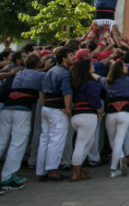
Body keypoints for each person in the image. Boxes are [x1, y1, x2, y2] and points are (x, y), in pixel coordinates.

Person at [0, 54, 44, 196]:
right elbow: (38, 77)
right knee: (17, 143)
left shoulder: (19, 72)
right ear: (38, 64)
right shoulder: (40, 75)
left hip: (7, 108)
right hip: (22, 110)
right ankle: (7, 177)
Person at [97, 60, 129, 177]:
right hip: (124, 110)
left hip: (111, 111)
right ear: (120, 69)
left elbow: (97, 78)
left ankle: (120, 159)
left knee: (113, 141)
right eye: (124, 66)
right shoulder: (127, 80)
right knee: (118, 141)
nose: (126, 67)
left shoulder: (107, 81)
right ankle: (113, 168)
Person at [36, 47, 75, 182]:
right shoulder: (64, 73)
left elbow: (40, 90)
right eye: (71, 55)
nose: (73, 57)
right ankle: (52, 170)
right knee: (56, 140)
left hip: (47, 107)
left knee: (45, 139)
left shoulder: (50, 71)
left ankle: (41, 170)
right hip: (58, 109)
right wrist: (68, 108)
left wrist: (44, 103)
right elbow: (67, 92)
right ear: (64, 58)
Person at [69, 58, 103, 182]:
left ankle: (78, 167)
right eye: (91, 65)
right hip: (87, 114)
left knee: (88, 141)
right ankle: (76, 172)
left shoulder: (75, 82)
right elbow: (94, 98)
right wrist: (99, 110)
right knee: (82, 143)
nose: (93, 66)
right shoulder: (89, 83)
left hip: (77, 114)